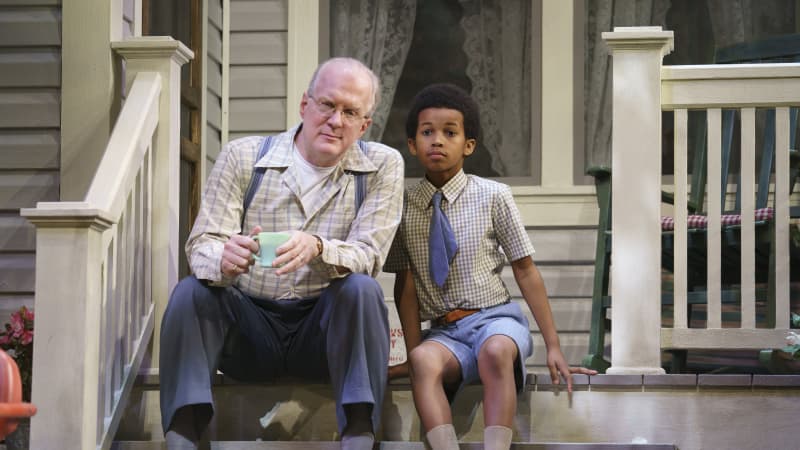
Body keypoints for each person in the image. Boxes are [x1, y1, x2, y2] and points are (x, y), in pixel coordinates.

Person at [159, 57, 405, 450]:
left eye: (350, 112)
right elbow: (201, 244)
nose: (336, 120)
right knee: (193, 291)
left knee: (360, 289)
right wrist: (224, 257)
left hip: (322, 332)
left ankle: (359, 432)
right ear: (305, 104)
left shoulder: (382, 165)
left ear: (364, 125)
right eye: (327, 105)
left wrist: (319, 248)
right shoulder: (245, 157)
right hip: (251, 327)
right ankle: (183, 432)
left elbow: (370, 255)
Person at [385, 83, 596, 450]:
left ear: (468, 145)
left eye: (450, 132)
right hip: (444, 335)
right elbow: (404, 286)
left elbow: (526, 270)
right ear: (412, 145)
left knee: (496, 351)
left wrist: (554, 347)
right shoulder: (402, 207)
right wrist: (412, 352)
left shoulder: (493, 196)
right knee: (422, 361)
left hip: (493, 320)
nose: (438, 140)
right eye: (427, 132)